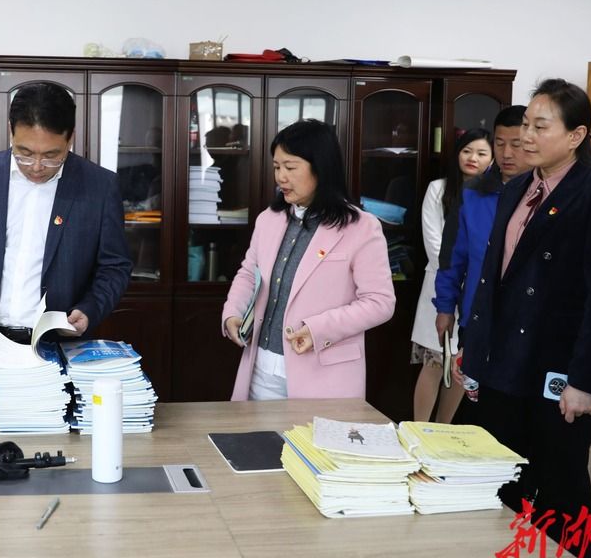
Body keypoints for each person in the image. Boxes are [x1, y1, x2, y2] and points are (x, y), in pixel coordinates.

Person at [456, 79, 591, 558]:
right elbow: (492, 279)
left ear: (576, 136)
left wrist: (586, 382)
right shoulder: (516, 188)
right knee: (499, 482)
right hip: (501, 363)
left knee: (559, 488)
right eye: (525, 125)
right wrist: (474, 348)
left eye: (540, 126)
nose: (526, 136)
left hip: (557, 370)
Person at [0, 82, 132, 403]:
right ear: (11, 131)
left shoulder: (99, 186)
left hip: (59, 356)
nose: (37, 167)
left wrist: (90, 309)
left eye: (52, 155)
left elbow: (115, 267)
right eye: (25, 153)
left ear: (70, 138)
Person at [221, 119, 395, 400]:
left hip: (325, 375)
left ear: (321, 167)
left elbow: (380, 302)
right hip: (261, 369)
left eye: (290, 168)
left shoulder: (361, 227)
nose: (281, 177)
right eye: (276, 167)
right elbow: (249, 274)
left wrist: (318, 329)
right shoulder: (269, 219)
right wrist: (233, 312)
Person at [434, 106, 532, 361]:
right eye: (499, 144)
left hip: (528, 324)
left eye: (516, 144)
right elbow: (452, 257)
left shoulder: (544, 193)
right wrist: (445, 307)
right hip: (476, 318)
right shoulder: (472, 192)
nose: (506, 153)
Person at [411, 128, 492, 423]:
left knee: (462, 363)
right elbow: (435, 244)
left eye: (481, 153)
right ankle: (419, 429)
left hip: (476, 289)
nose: (473, 158)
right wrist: (457, 270)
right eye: (467, 151)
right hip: (440, 284)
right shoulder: (438, 189)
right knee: (434, 361)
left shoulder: (492, 195)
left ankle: (443, 429)